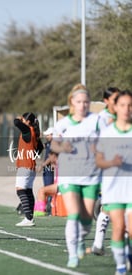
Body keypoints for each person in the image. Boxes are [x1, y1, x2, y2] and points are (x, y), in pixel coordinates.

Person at [51, 83, 101, 268]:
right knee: (74, 214)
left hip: (91, 175)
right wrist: (61, 147)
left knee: (87, 220)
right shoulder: (63, 124)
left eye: (86, 102)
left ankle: (80, 239)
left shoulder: (97, 120)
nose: (83, 105)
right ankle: (72, 254)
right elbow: (54, 145)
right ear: (72, 102)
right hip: (69, 175)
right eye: (79, 101)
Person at [95, 90, 132, 275]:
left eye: (130, 105)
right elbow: (99, 161)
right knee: (118, 228)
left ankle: (128, 255)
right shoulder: (107, 132)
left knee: (131, 229)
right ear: (115, 107)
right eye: (123, 105)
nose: (127, 109)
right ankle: (121, 267)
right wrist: (112, 162)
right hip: (114, 189)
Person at [89, 87, 120, 256]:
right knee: (109, 206)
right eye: (114, 99)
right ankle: (99, 242)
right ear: (106, 101)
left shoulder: (124, 116)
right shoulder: (101, 119)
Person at [13, 112, 43, 227]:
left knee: (20, 190)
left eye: (24, 119)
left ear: (28, 121)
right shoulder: (34, 132)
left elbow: (16, 122)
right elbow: (40, 147)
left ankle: (28, 218)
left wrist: (19, 118)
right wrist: (33, 155)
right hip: (31, 166)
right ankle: (29, 217)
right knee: (28, 191)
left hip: (25, 165)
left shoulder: (27, 130)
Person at [34, 150, 59, 217]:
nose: (49, 158)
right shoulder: (56, 163)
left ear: (54, 156)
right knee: (42, 191)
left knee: (42, 190)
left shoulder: (60, 162)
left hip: (61, 185)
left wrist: (42, 166)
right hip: (60, 184)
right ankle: (40, 210)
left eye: (49, 156)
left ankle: (40, 212)